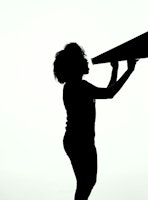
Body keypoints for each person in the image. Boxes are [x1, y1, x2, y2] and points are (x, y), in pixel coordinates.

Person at [53, 43, 137, 200]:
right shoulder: (79, 86)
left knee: (87, 182)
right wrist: (129, 70)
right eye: (83, 60)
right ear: (76, 65)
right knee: (86, 183)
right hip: (79, 142)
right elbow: (109, 93)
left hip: (78, 141)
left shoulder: (73, 86)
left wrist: (115, 69)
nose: (86, 62)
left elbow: (106, 91)